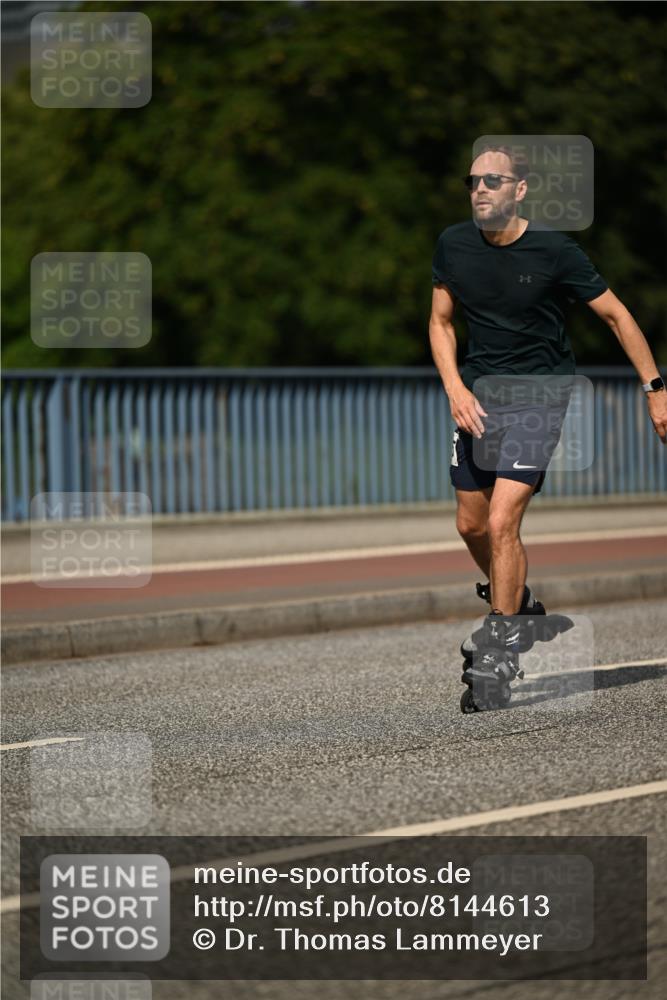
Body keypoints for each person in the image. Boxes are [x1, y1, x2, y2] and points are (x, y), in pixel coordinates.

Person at [429, 144, 666, 655]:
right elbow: (441, 322)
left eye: (493, 181)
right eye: (473, 182)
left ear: (520, 190)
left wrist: (655, 389)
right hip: (479, 398)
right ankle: (519, 603)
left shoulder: (555, 251)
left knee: (501, 521)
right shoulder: (453, 245)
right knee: (471, 525)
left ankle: (498, 648)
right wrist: (454, 387)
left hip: (542, 396)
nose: (481, 190)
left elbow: (616, 316)